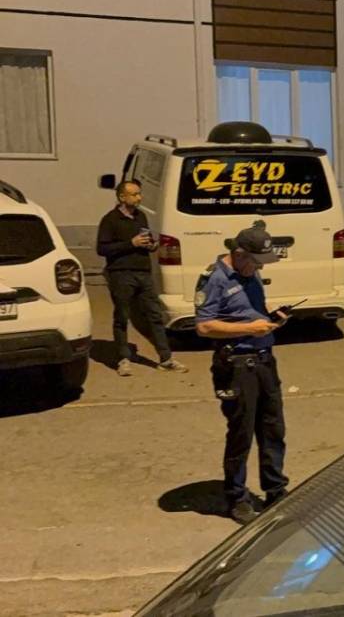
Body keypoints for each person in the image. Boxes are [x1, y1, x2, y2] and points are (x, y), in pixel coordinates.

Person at [194, 221, 290, 524]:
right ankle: (237, 497)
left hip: (264, 361)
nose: (259, 267)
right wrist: (250, 328)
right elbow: (204, 326)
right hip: (236, 365)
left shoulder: (252, 271)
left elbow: (251, 309)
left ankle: (276, 490)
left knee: (273, 430)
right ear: (238, 253)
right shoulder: (215, 279)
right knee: (241, 434)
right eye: (255, 261)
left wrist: (272, 317)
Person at [95, 180, 188, 377]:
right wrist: (131, 243)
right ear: (122, 197)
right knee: (122, 317)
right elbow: (102, 249)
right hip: (121, 274)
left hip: (143, 273)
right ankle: (123, 359)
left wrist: (151, 245)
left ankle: (166, 359)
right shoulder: (110, 220)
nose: (139, 198)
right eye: (135, 194)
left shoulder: (141, 216)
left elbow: (145, 241)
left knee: (155, 316)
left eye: (139, 193)